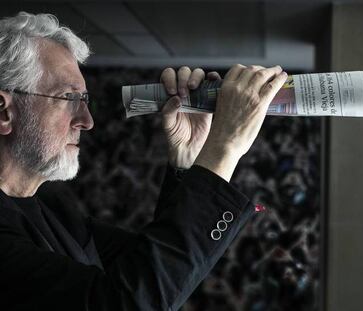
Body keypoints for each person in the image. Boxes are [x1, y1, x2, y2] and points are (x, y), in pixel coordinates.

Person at [0, 11, 287, 311]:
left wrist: (188, 159)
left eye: (84, 101)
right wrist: (224, 148)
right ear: (5, 112)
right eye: (69, 98)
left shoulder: (52, 202)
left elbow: (151, 273)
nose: (87, 121)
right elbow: (126, 303)